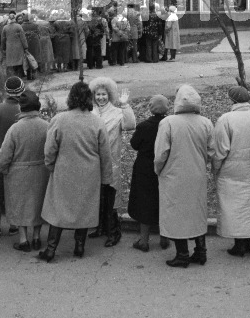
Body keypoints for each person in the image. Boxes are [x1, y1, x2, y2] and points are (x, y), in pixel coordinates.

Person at [38, 81, 112, 262]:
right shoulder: (97, 122)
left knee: (58, 209)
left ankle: (50, 249)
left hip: (64, 171)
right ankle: (80, 246)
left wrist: (50, 165)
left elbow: (50, 149)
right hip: (89, 173)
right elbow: (105, 153)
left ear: (70, 98)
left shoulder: (59, 120)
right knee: (84, 209)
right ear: (89, 98)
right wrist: (106, 178)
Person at [153, 84, 213, 268]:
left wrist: (159, 170)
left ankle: (182, 254)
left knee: (177, 214)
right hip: (197, 174)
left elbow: (161, 154)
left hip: (173, 175)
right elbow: (211, 151)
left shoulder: (168, 123)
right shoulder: (205, 122)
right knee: (196, 212)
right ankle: (200, 252)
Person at [213, 86, 250, 258]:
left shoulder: (225, 119)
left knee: (233, 206)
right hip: (249, 166)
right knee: (248, 204)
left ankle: (239, 244)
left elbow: (220, 150)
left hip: (230, 169)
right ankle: (248, 241)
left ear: (232, 100)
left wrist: (215, 168)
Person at [0, 90, 51, 251]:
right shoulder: (47, 126)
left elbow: (5, 154)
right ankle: (36, 238)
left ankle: (23, 240)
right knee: (38, 204)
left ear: (21, 108)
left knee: (20, 205)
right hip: (41, 170)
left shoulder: (15, 129)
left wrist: (3, 168)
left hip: (18, 172)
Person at [88, 76, 136, 246]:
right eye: (98, 94)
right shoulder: (89, 113)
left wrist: (125, 105)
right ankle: (100, 227)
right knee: (97, 196)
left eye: (104, 94)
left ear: (110, 95)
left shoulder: (117, 112)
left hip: (112, 161)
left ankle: (114, 232)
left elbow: (130, 125)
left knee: (111, 197)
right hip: (93, 162)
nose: (101, 97)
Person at [127, 94, 171, 252]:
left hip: (144, 168)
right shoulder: (169, 124)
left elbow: (134, 144)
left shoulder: (144, 126)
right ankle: (164, 238)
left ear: (150, 108)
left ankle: (144, 240)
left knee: (145, 201)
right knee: (162, 200)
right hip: (165, 166)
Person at [0, 77, 24, 236]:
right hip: (17, 154)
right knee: (13, 190)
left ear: (6, 91)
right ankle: (13, 225)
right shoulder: (23, 108)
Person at [0, 13, 28, 77]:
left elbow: (3, 39)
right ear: (15, 19)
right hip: (18, 47)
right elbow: (23, 38)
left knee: (10, 62)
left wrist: (3, 47)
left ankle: (10, 76)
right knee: (19, 61)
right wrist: (25, 46)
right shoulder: (18, 26)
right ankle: (20, 76)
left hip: (9, 47)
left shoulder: (5, 27)